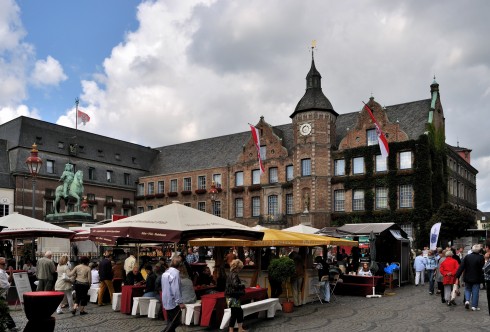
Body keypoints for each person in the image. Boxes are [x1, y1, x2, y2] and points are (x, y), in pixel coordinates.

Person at [455, 244, 485, 311]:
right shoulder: (481, 257)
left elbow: (461, 267)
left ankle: (467, 301)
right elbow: (482, 268)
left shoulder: (467, 257)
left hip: (467, 276)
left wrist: (457, 276)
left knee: (467, 289)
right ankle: (474, 306)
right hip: (477, 277)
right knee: (475, 291)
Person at [161, 256, 186, 332]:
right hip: (173, 301)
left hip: (166, 298)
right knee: (176, 321)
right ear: (180, 265)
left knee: (171, 320)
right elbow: (176, 289)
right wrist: (180, 302)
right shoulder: (175, 274)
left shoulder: (166, 272)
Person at [225, 259, 247, 332]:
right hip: (233, 297)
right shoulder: (234, 274)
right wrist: (242, 285)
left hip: (230, 296)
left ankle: (238, 328)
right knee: (235, 313)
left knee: (237, 312)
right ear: (237, 267)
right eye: (240, 268)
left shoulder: (230, 274)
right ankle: (233, 330)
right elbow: (235, 285)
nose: (240, 270)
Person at [0, 256, 18, 331]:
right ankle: (12, 326)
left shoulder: (3, 272)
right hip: (1, 294)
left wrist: (11, 272)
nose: (5, 265)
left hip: (2, 294)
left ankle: (11, 326)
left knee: (3, 311)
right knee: (4, 310)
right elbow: (6, 285)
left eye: (5, 263)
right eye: (3, 263)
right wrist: (9, 283)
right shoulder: (0, 273)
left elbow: (9, 280)